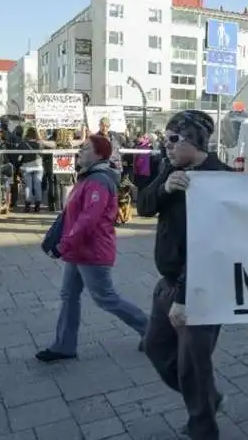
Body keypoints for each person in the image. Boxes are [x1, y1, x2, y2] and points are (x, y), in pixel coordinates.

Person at [137, 110, 233, 440]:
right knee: (155, 348)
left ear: (195, 141)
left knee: (193, 366)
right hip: (167, 283)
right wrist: (164, 188)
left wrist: (184, 296)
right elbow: (143, 206)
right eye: (166, 139)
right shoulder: (171, 168)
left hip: (199, 288)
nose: (167, 146)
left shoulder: (220, 179)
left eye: (174, 140)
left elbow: (214, 247)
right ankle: (208, 399)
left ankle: (203, 428)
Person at [35, 134, 148, 363]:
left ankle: (154, 331)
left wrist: (63, 245)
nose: (80, 152)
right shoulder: (87, 177)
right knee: (68, 295)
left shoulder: (99, 180)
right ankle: (64, 346)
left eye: (85, 148)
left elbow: (88, 219)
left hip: (92, 251)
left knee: (105, 298)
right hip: (78, 249)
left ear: (99, 155)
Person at [17, 127, 47, 212]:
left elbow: (19, 156)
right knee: (38, 186)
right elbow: (43, 155)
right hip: (38, 166)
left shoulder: (23, 144)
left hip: (26, 167)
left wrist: (19, 165)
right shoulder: (40, 144)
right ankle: (37, 205)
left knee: (28, 186)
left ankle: (27, 205)